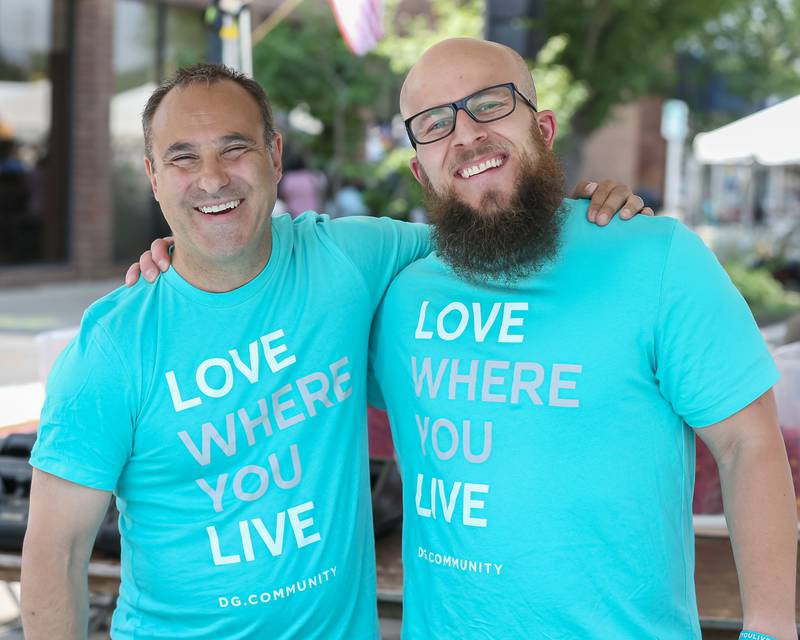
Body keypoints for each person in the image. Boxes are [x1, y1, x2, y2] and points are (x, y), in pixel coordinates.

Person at [20, 64, 645, 640]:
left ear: (274, 155)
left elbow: (491, 234)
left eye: (234, 148)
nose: (211, 179)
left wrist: (576, 209)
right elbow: (56, 555)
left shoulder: (348, 258)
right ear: (154, 178)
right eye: (183, 159)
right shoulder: (113, 346)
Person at [366, 38, 797, 639]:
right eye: (434, 124)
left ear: (542, 128)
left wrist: (771, 632)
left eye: (489, 104)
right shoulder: (394, 295)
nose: (464, 135)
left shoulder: (656, 258)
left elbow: (748, 445)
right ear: (419, 168)